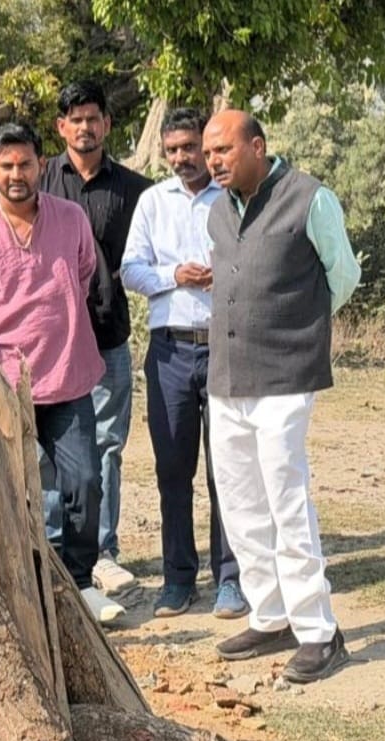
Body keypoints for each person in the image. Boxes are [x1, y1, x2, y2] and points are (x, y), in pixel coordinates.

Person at [202, 109, 360, 683]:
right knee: (241, 503)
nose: (212, 160)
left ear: (258, 146)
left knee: (285, 499)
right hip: (227, 378)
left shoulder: (310, 198)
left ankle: (319, 631)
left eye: (222, 150)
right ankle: (270, 615)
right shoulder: (219, 210)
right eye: (208, 152)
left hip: (286, 376)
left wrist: (298, 327)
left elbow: (342, 278)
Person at [0, 122, 121, 623]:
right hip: (2, 389)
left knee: (84, 481)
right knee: (12, 492)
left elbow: (84, 274)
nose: (17, 174)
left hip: (68, 376)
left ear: (42, 164)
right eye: (6, 166)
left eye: (25, 163)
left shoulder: (71, 219)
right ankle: (22, 588)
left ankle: (81, 582)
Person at [122, 108, 246, 619]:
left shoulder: (234, 198)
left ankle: (231, 579)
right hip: (170, 349)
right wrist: (176, 274)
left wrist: (226, 275)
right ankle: (177, 580)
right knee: (173, 469)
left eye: (189, 148)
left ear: (207, 147)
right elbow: (130, 268)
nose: (181, 158)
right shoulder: (153, 202)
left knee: (228, 468)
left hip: (225, 346)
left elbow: (257, 261)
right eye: (172, 150)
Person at [40, 80, 151, 597]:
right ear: (61, 127)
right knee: (49, 448)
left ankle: (103, 549)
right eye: (74, 118)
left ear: (107, 124)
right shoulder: (36, 181)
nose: (84, 127)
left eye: (92, 117)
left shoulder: (134, 189)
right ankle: (53, 549)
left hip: (106, 336)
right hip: (48, 343)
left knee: (105, 443)